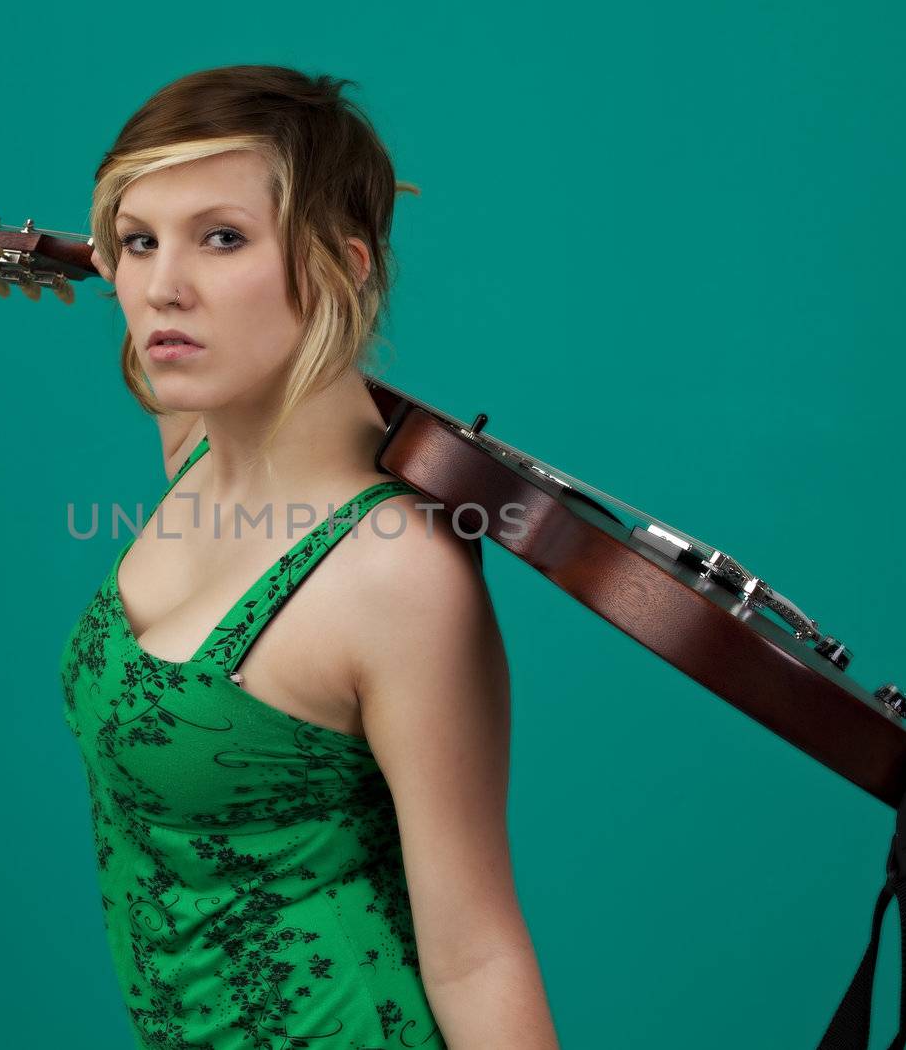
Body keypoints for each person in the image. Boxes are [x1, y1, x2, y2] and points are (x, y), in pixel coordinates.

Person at [59, 65, 560, 1049]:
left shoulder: (395, 573)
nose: (162, 285)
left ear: (340, 263)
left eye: (223, 237)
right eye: (138, 241)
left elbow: (477, 954)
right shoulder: (192, 443)